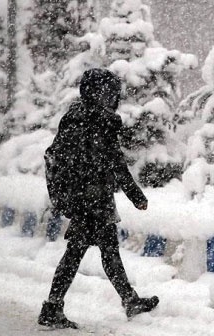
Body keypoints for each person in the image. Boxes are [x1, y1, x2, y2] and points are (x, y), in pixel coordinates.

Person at [38, 68, 159, 329]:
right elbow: (115, 162)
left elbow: (59, 156)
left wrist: (64, 195)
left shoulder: (77, 118)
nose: (111, 97)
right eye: (107, 92)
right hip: (91, 201)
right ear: (95, 93)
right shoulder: (95, 121)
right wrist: (135, 195)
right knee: (87, 253)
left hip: (87, 199)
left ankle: (127, 300)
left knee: (98, 251)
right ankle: (53, 306)